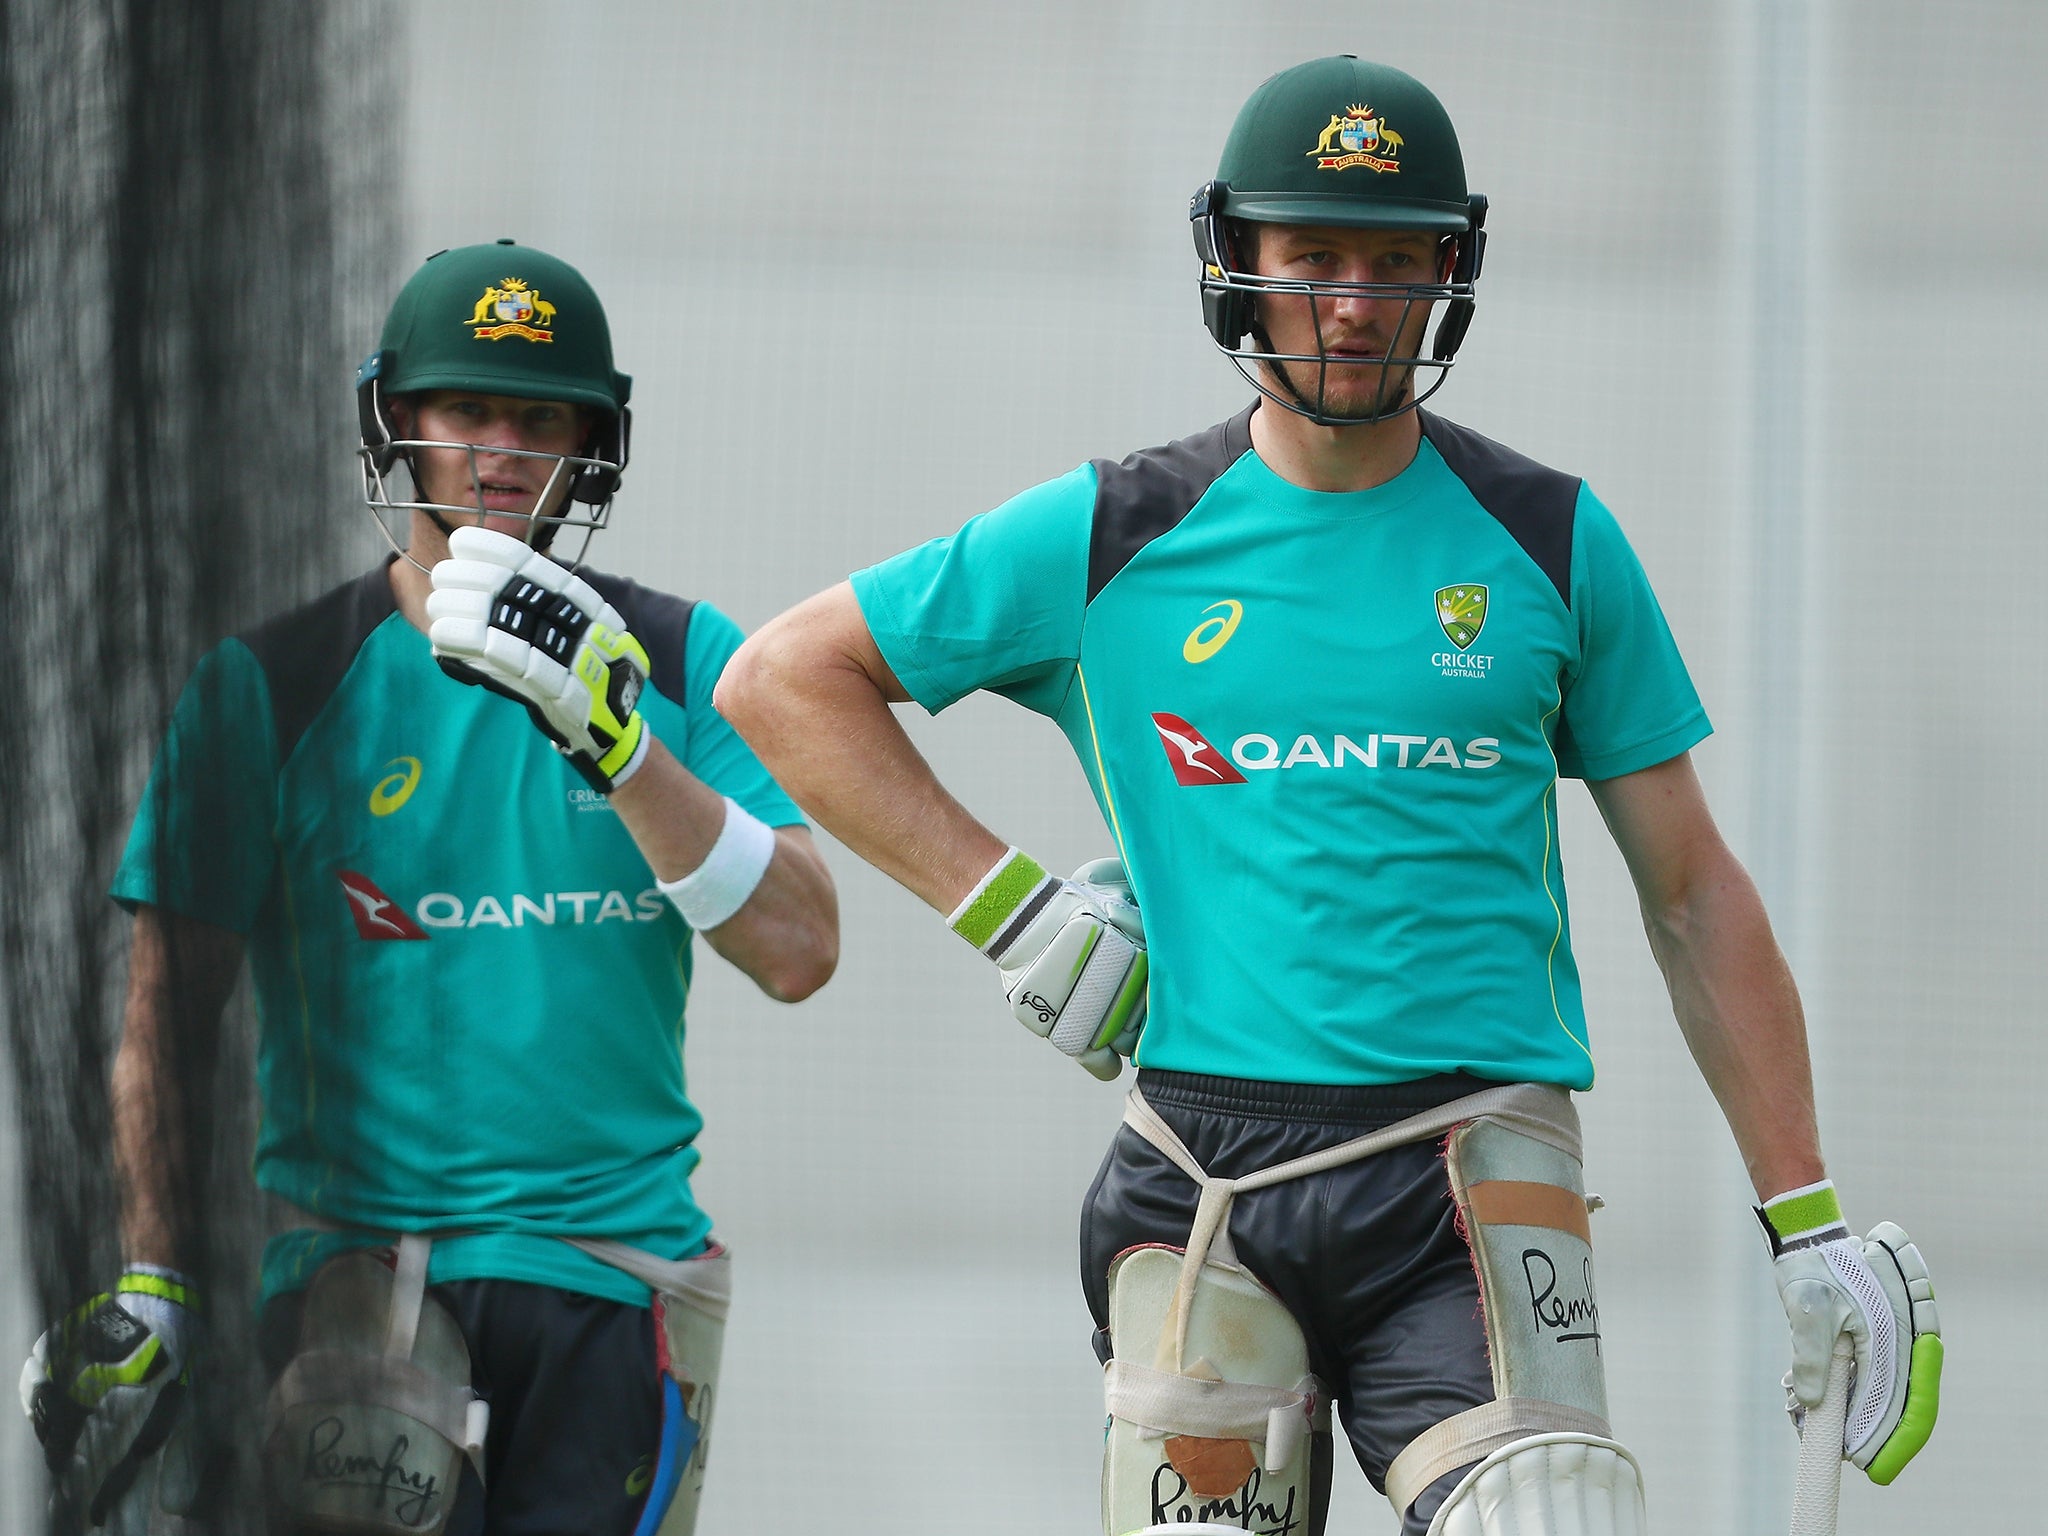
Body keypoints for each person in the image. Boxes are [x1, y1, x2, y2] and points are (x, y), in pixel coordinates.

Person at [714, 56, 1941, 1536]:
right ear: (1238, 263)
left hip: (1473, 1173)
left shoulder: (1548, 536)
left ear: (1447, 274)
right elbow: (783, 682)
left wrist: (1803, 1220)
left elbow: (1689, 892)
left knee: (1550, 1514)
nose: (1352, 300)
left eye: (1392, 259)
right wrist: (1018, 915)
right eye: (1311, 258)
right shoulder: (1115, 533)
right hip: (1200, 1174)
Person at [20, 240, 838, 1535]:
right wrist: (156, 1279)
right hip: (352, 1291)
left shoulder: (683, 660)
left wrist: (620, 747)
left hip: (614, 1292)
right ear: (399, 426)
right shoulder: (271, 686)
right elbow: (163, 1023)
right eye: (468, 412)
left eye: (539, 417)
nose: (502, 451)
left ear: (595, 442)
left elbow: (798, 947)